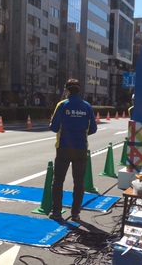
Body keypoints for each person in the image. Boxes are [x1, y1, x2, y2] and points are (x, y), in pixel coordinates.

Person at [48, 79, 98, 221]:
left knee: (58, 180)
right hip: (81, 148)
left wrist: (51, 122)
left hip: (64, 148)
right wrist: (81, 134)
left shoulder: (62, 105)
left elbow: (54, 127)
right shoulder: (87, 106)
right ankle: (75, 212)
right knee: (79, 181)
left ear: (67, 90)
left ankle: (57, 211)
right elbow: (93, 128)